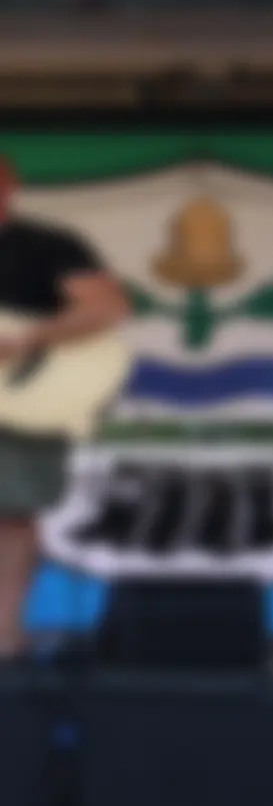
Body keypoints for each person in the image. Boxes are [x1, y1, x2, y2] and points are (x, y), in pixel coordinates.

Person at [0, 156, 130, 660]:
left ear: (11, 186)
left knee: (12, 512)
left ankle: (5, 633)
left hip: (23, 397)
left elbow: (107, 308)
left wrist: (30, 340)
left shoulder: (49, 245)